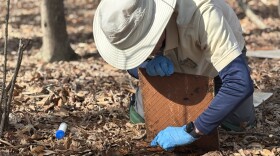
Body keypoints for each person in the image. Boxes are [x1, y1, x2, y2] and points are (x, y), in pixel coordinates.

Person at [93, 0, 256, 151]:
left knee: (238, 124)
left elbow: (238, 83)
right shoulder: (124, 16)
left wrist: (193, 131)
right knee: (145, 115)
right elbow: (128, 63)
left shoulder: (205, 15)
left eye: (141, 47)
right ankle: (139, 102)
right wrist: (145, 65)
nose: (140, 54)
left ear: (155, 29)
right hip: (172, 56)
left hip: (218, 63)